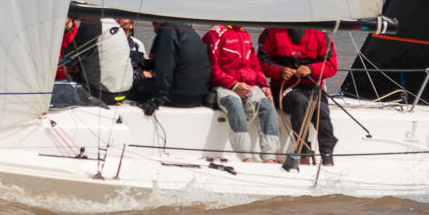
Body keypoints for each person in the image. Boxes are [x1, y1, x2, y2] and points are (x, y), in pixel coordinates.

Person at [260, 27, 338, 170]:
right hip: (283, 89)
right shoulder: (272, 33)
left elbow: (331, 66)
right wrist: (279, 71)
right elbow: (262, 62)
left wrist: (311, 69)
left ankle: (327, 155)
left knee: (322, 111)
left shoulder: (320, 35)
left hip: (312, 88)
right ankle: (303, 152)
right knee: (299, 101)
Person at [205, 23, 281, 163]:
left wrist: (263, 85)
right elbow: (211, 68)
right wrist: (234, 85)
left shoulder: (244, 34)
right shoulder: (214, 34)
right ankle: (245, 156)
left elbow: (255, 66)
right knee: (234, 105)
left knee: (267, 106)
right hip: (223, 86)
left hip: (248, 85)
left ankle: (269, 157)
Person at [140, 20, 211, 109]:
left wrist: (159, 97)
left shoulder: (167, 30)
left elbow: (165, 67)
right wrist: (144, 64)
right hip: (198, 97)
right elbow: (178, 62)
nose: (153, 27)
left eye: (154, 22)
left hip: (177, 97)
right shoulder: (189, 31)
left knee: (132, 87)